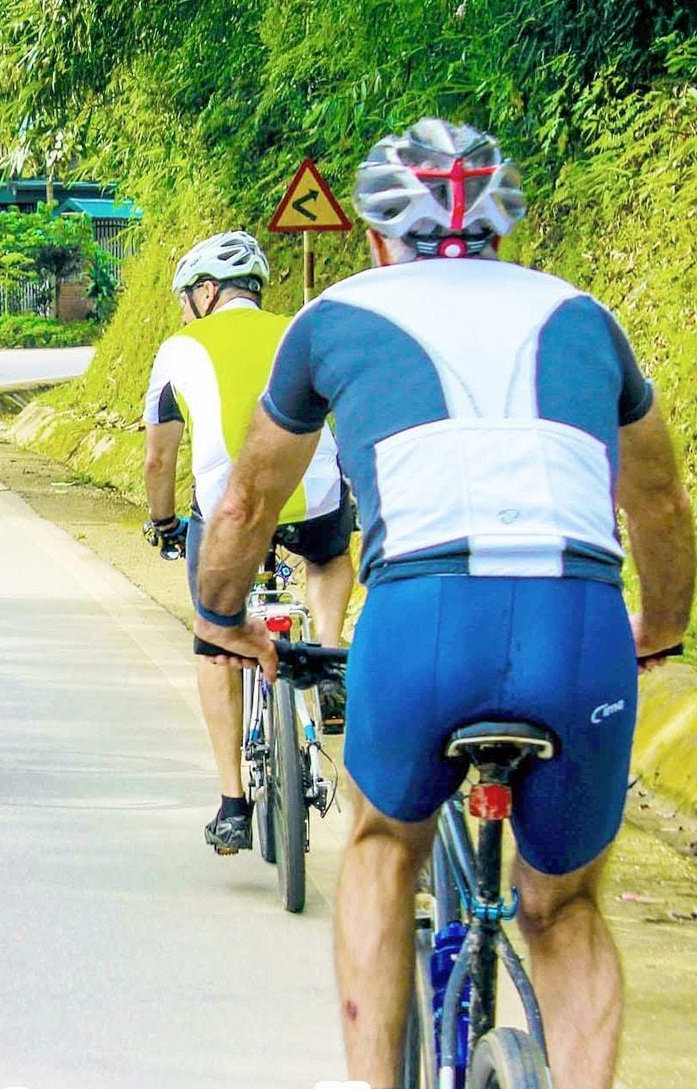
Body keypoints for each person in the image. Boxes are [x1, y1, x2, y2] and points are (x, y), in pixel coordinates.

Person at [191, 119, 693, 1089]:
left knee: (382, 849)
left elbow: (249, 499)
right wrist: (660, 629)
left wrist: (222, 618)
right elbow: (661, 502)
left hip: (423, 619)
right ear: (503, 227)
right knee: (564, 910)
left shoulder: (331, 317)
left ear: (375, 236)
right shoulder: (584, 316)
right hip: (578, 623)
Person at [142, 230, 356, 855]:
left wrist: (162, 523)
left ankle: (233, 803)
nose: (185, 310)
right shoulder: (301, 330)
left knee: (215, 641)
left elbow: (159, 459)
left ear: (207, 291)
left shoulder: (179, 348)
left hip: (227, 510)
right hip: (315, 493)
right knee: (328, 557)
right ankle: (328, 652)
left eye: (187, 298)